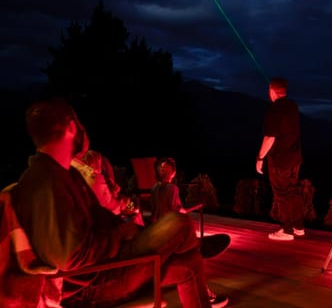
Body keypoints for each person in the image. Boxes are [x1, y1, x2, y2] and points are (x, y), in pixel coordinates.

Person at [10, 97, 228, 308]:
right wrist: (121, 235)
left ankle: (193, 250)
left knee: (190, 264)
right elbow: (71, 258)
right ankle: (196, 246)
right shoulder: (47, 182)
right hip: (92, 286)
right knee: (179, 223)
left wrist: (124, 228)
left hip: (107, 265)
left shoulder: (64, 174)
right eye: (79, 123)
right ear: (70, 127)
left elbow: (98, 216)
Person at [151, 157, 229, 307]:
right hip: (170, 231)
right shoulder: (172, 189)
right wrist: (184, 211)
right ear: (173, 173)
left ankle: (198, 245)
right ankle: (204, 292)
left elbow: (157, 212)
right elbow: (176, 211)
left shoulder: (154, 188)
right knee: (194, 255)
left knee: (192, 245)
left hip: (157, 230)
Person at [255, 77, 304, 241]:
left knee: (282, 193)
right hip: (295, 158)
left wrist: (260, 157)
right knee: (293, 191)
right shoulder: (293, 106)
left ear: (271, 90)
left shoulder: (274, 110)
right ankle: (298, 227)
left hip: (280, 159)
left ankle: (287, 230)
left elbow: (270, 137)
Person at [71, 128, 145, 226]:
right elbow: (106, 203)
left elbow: (110, 193)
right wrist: (122, 204)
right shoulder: (91, 165)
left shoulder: (73, 165)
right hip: (100, 223)